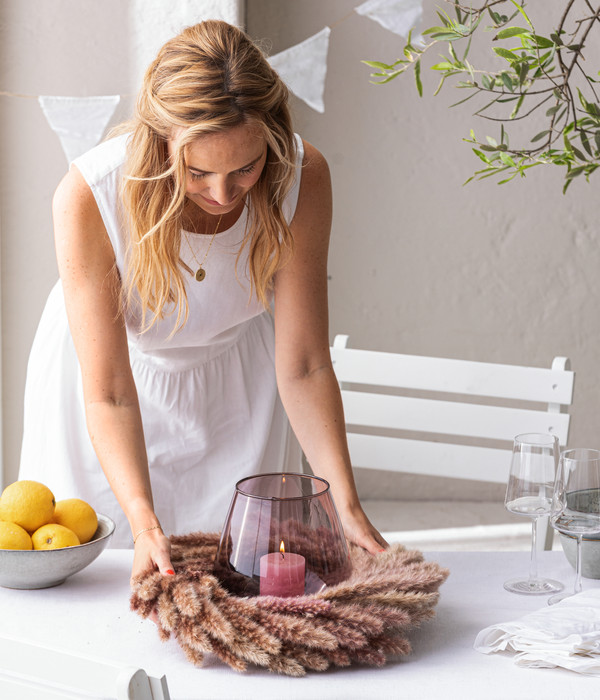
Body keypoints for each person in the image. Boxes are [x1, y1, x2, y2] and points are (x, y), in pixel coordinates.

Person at [19, 19, 387, 583]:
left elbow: (307, 364)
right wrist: (144, 523)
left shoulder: (301, 175)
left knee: (240, 576)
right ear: (159, 144)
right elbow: (110, 393)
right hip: (107, 391)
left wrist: (346, 504)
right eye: (197, 172)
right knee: (112, 580)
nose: (222, 195)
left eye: (245, 168)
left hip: (237, 387)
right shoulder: (90, 195)